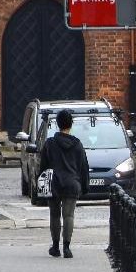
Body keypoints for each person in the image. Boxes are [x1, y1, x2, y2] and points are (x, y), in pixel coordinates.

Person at [37, 108, 89, 259]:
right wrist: (85, 187)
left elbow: (43, 167)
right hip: (72, 183)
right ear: (70, 124)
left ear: (57, 124)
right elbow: (83, 167)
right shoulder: (77, 145)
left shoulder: (50, 143)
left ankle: (55, 246)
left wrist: (39, 186)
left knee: (54, 215)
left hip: (54, 183)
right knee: (69, 215)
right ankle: (67, 247)